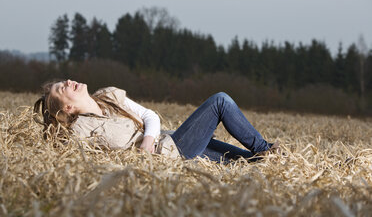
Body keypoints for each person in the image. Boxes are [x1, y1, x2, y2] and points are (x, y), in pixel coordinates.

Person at [33, 79, 278, 162]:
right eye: (61, 88)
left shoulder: (109, 96)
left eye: (63, 81)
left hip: (171, 141)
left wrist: (147, 140)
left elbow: (150, 116)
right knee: (220, 101)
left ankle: (268, 156)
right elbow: (65, 155)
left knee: (247, 164)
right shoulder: (80, 130)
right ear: (68, 107)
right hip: (171, 154)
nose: (67, 82)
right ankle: (268, 150)